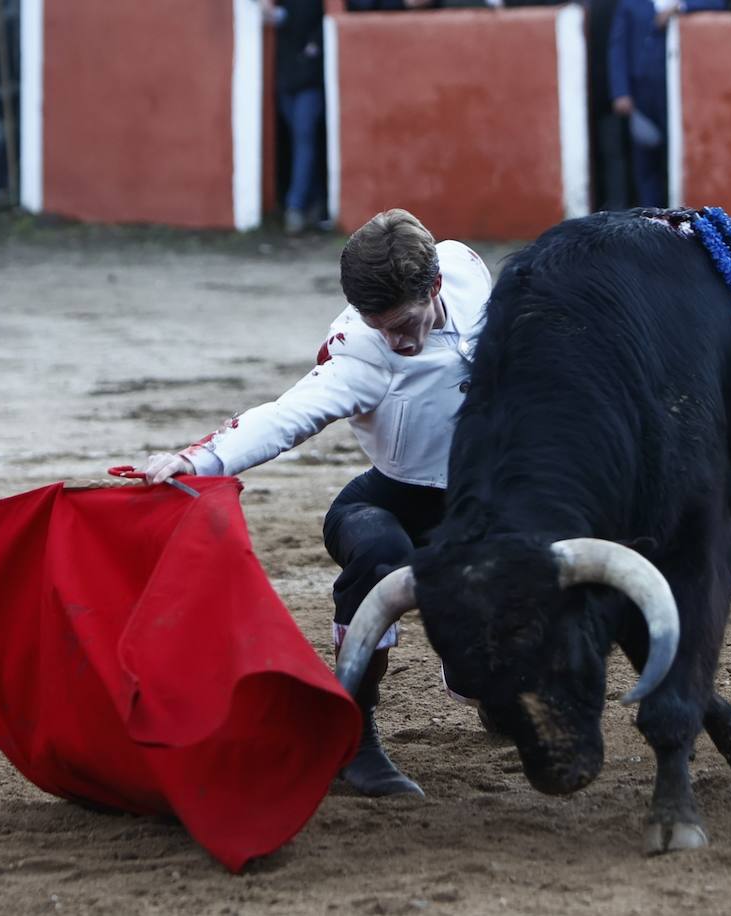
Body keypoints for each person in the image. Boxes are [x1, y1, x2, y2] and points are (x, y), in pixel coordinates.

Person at [140, 209, 494, 798]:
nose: (399, 343)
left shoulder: (464, 270)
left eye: (405, 323)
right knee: (381, 553)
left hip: (483, 504)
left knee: (500, 660)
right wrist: (197, 459)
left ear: (434, 287)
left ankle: (481, 677)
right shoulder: (360, 351)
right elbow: (286, 416)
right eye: (382, 328)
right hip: (391, 502)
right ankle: (354, 736)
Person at [608, 0, 725, 208]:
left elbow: (720, 3)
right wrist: (621, 91)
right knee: (645, 156)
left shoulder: (684, 3)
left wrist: (680, 8)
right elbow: (618, 47)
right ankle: (651, 214)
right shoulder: (631, 4)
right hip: (643, 90)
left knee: (679, 154)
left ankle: (676, 211)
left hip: (680, 91)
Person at [262, 0, 329, 234]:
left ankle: (296, 206)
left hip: (307, 80)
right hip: (288, 79)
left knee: (303, 140)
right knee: (301, 141)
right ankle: (316, 202)